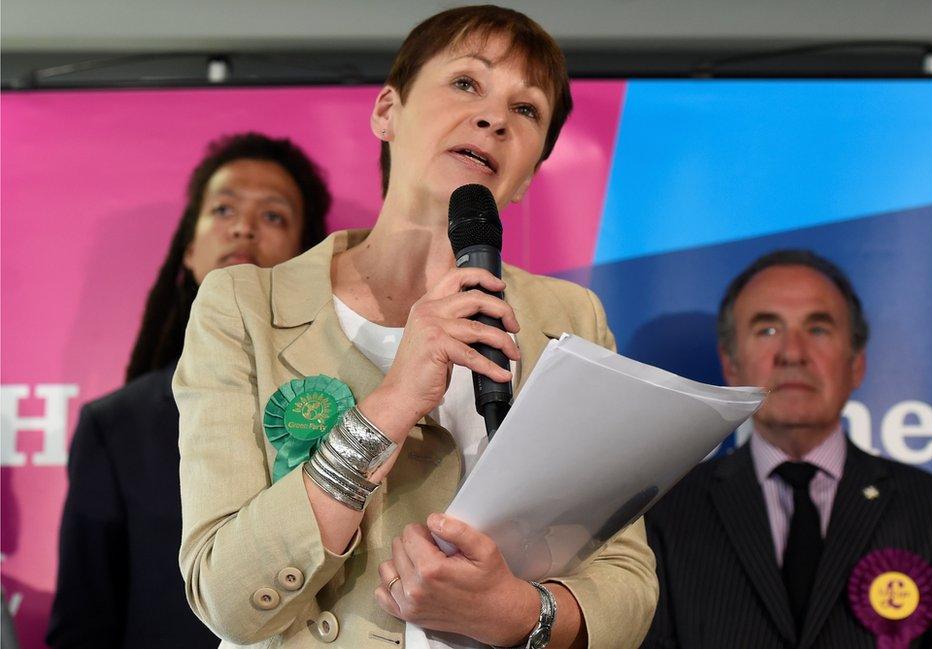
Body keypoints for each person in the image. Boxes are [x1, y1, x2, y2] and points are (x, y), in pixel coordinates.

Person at [174, 6, 657, 649]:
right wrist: (394, 401)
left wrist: (518, 613)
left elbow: (626, 580)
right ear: (386, 112)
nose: (494, 118)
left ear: (530, 175)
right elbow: (225, 597)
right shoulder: (242, 306)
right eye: (467, 83)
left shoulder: (570, 321)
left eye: (527, 110)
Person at [47, 132, 331, 649]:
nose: (244, 227)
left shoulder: (343, 404)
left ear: (304, 256)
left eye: (274, 216)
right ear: (191, 248)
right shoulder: (114, 426)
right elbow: (84, 625)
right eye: (223, 209)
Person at [643, 250, 932, 648]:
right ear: (731, 364)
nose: (793, 352)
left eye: (818, 329)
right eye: (767, 329)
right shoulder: (665, 514)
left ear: (856, 364)